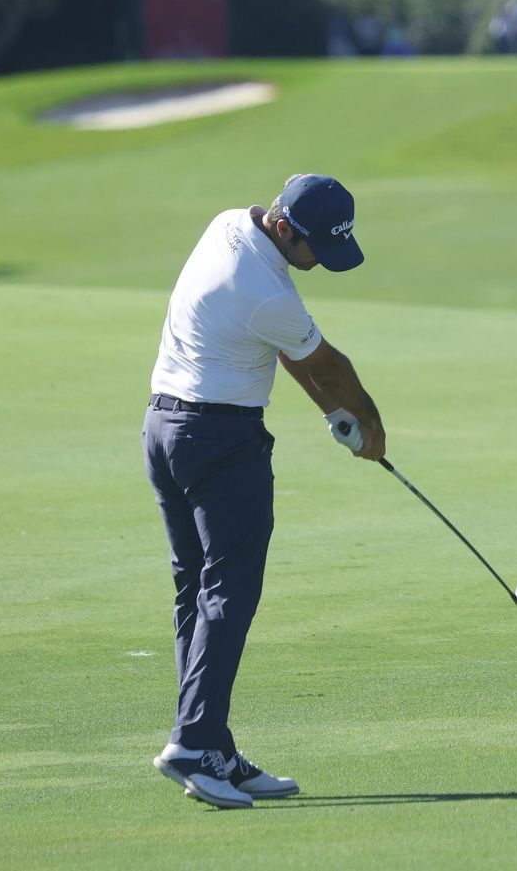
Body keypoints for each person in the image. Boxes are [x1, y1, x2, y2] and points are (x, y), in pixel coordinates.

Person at [143, 174, 387, 809]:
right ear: (284, 228)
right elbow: (326, 364)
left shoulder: (229, 225)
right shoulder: (265, 288)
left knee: (197, 588)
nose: (318, 263)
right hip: (221, 443)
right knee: (228, 592)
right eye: (316, 249)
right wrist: (369, 424)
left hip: (165, 431)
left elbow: (286, 354)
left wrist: (324, 411)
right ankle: (194, 743)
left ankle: (210, 745)